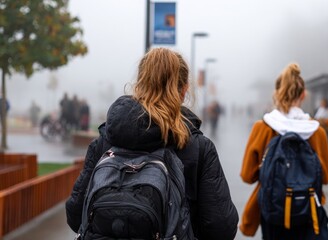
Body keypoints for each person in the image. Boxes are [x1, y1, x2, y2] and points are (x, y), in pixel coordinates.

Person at [65, 48, 239, 239]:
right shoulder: (198, 147)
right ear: (183, 90)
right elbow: (221, 227)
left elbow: (75, 215)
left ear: (139, 84)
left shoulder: (105, 141)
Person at [239, 63, 328, 239]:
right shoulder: (316, 131)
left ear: (276, 93)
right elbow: (326, 177)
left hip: (275, 213)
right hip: (308, 210)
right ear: (303, 95)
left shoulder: (263, 127)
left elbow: (247, 175)